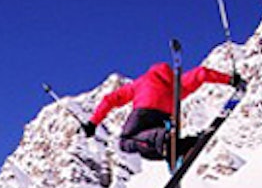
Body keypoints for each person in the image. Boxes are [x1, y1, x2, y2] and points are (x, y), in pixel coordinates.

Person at [82, 61, 243, 161]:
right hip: (165, 117)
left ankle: (164, 138)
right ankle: (185, 145)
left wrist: (92, 123)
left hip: (143, 112)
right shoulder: (177, 85)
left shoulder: (141, 82)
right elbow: (201, 74)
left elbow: (110, 99)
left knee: (125, 142)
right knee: (153, 151)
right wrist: (229, 79)